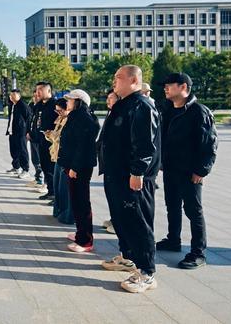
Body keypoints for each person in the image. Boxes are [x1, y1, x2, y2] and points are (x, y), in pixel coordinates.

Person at [100, 65, 161, 293]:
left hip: (132, 176)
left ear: (134, 80)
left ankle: (147, 272)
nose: (114, 81)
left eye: (118, 77)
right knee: (121, 219)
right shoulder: (123, 104)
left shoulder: (141, 106)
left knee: (138, 222)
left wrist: (138, 172)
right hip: (116, 174)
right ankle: (128, 257)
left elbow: (145, 144)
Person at [156, 73, 217, 269]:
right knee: (171, 206)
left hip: (190, 172)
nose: (165, 88)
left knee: (193, 211)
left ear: (183, 87)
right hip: (171, 169)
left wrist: (201, 170)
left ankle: (198, 253)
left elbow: (210, 145)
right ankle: (173, 240)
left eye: (169, 85)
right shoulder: (168, 109)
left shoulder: (199, 111)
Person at [57, 89, 100, 253]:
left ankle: (85, 241)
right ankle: (80, 233)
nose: (67, 102)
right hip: (74, 165)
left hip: (79, 167)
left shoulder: (83, 118)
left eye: (70, 99)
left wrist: (75, 167)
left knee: (81, 202)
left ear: (79, 101)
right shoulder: (76, 116)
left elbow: (83, 147)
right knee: (76, 201)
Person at [44, 98, 73, 225]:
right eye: (57, 110)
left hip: (65, 158)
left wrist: (51, 135)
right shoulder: (60, 119)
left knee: (64, 189)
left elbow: (62, 138)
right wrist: (49, 134)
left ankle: (66, 214)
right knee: (57, 187)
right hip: (56, 156)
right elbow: (56, 138)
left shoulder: (70, 120)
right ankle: (58, 211)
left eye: (60, 110)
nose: (58, 112)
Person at [31, 82, 58, 200]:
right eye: (37, 90)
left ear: (49, 91)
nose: (38, 93)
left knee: (51, 167)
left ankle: (55, 193)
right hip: (40, 139)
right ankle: (50, 191)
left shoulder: (55, 104)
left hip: (51, 141)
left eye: (40, 90)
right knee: (44, 165)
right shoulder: (39, 105)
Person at [98, 89, 119, 234]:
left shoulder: (120, 114)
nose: (107, 101)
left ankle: (119, 223)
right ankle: (114, 219)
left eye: (110, 98)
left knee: (117, 196)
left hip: (117, 164)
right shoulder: (110, 113)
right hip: (108, 163)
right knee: (111, 195)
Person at [5, 89, 31, 179]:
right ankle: (16, 167)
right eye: (10, 95)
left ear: (19, 96)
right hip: (12, 132)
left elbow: (29, 118)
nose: (11, 96)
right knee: (14, 151)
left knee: (22, 151)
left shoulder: (22, 105)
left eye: (14, 95)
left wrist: (28, 131)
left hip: (21, 133)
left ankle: (26, 170)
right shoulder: (12, 105)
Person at [27, 87, 44, 190]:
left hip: (40, 139)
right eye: (34, 96)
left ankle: (43, 181)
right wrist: (28, 132)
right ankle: (37, 178)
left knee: (41, 160)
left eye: (37, 96)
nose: (35, 98)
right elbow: (30, 121)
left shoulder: (43, 108)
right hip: (33, 137)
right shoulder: (33, 107)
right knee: (35, 159)